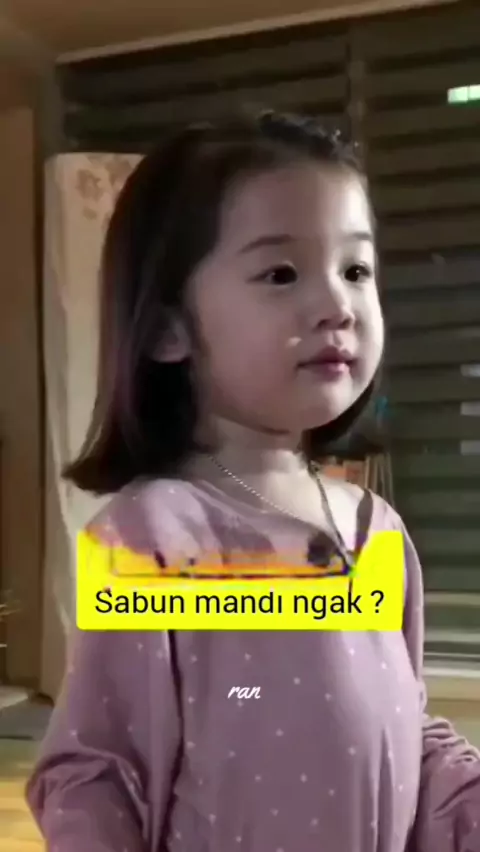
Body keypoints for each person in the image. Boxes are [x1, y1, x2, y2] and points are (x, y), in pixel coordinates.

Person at [27, 111, 480, 851]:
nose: (337, 305)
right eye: (281, 273)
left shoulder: (377, 532)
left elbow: (405, 730)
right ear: (168, 330)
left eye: (356, 270)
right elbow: (100, 769)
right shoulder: (156, 538)